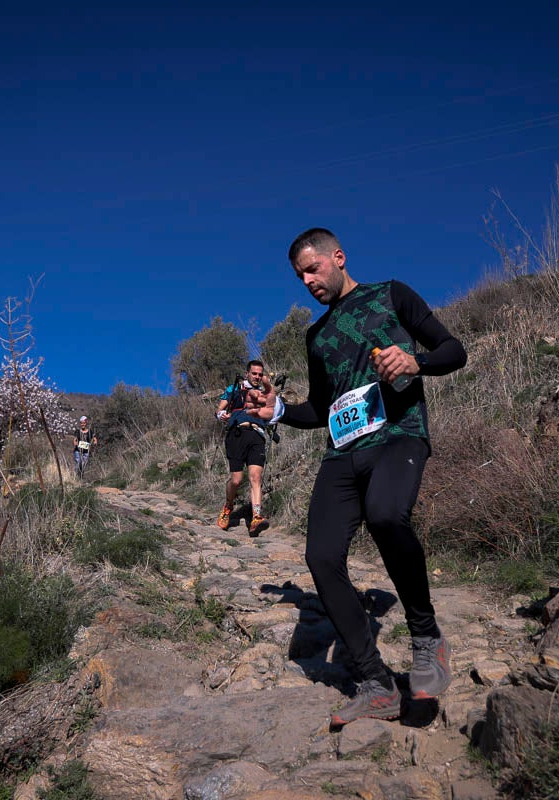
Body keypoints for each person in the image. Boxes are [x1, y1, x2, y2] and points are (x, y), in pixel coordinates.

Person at [252, 227, 467, 727]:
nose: (307, 281)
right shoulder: (317, 335)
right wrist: (279, 409)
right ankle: (375, 684)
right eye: (299, 275)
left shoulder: (391, 295)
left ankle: (426, 638)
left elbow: (454, 351)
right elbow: (323, 409)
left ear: (338, 257)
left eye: (313, 268)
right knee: (321, 556)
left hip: (398, 436)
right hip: (342, 453)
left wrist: (417, 360)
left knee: (387, 516)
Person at [215, 360, 272, 536]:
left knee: (255, 477)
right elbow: (219, 410)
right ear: (247, 373)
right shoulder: (234, 389)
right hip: (236, 435)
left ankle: (256, 516)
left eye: (260, 374)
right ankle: (228, 507)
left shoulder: (264, 394)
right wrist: (221, 415)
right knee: (236, 480)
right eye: (254, 373)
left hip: (257, 435)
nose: (257, 376)